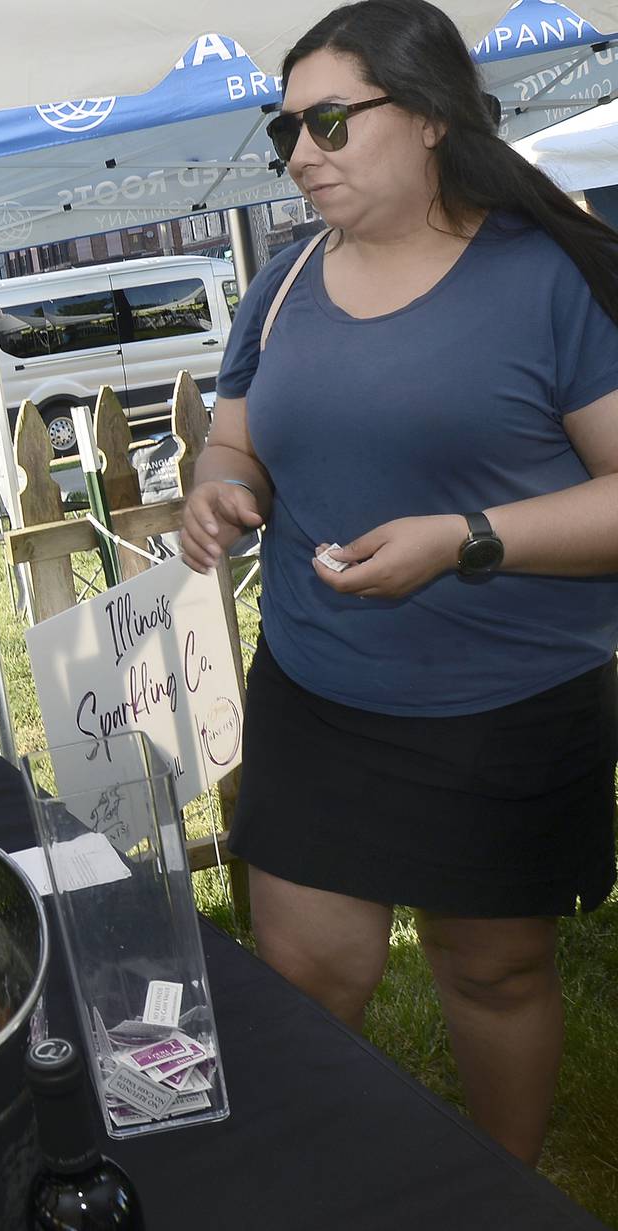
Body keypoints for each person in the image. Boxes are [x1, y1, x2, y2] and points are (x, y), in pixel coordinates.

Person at [180, 0, 618, 1168]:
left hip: (504, 706)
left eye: (328, 122)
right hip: (319, 690)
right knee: (308, 975)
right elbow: (233, 444)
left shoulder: (545, 278)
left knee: (492, 968)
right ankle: (327, 1210)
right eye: (286, 134)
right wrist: (219, 487)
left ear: (428, 115)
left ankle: (503, 1199)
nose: (300, 155)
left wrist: (466, 537)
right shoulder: (282, 285)